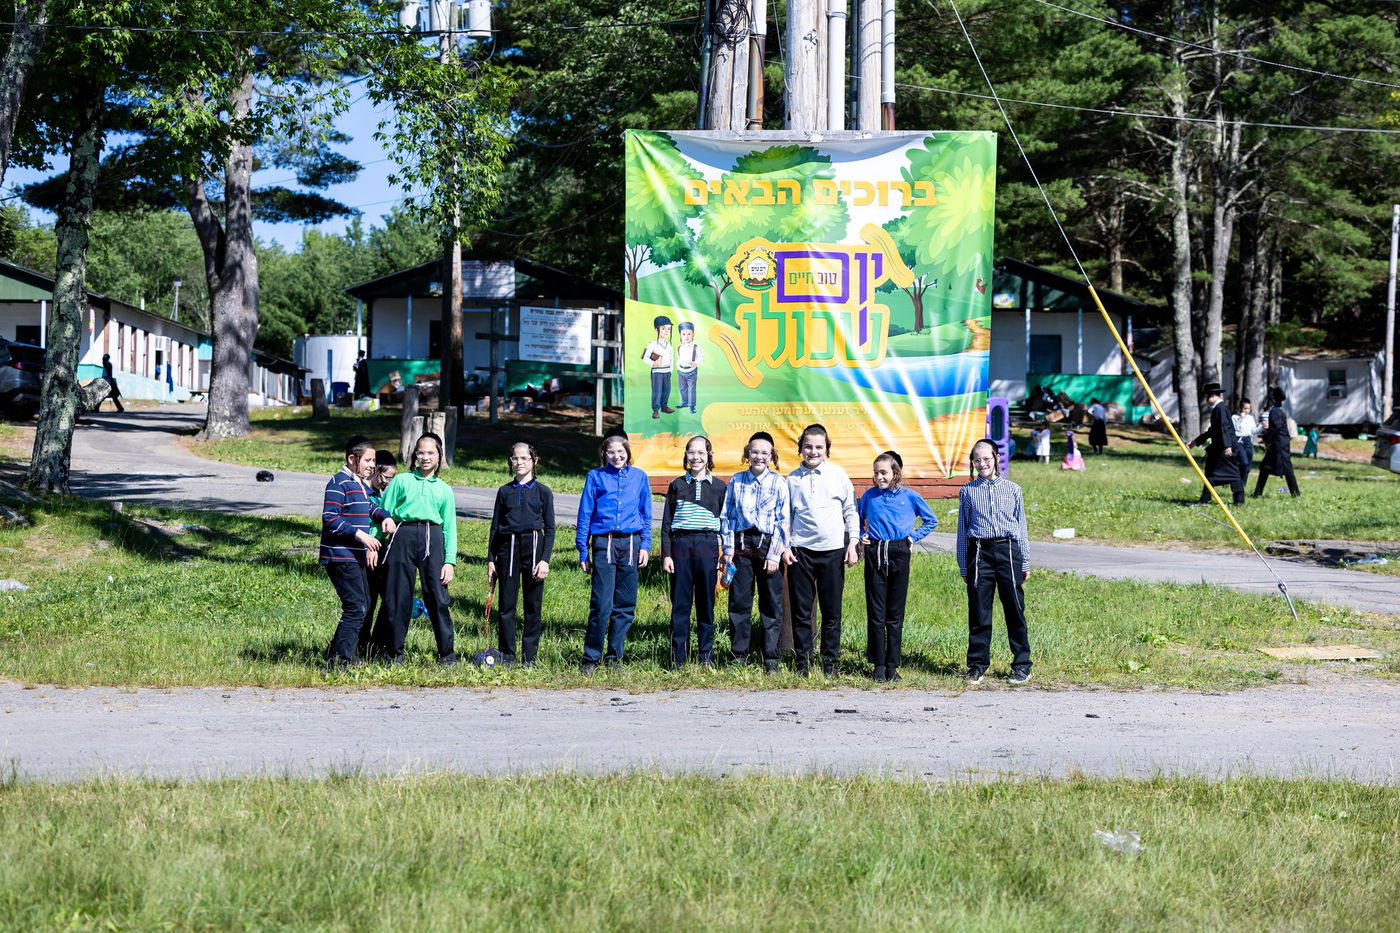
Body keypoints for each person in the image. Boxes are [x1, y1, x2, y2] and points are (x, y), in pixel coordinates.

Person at [782, 424, 859, 677]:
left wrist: (853, 543)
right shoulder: (792, 479)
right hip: (801, 552)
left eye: (819, 447)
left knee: (831, 611)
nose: (813, 452)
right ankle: (803, 662)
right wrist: (785, 546)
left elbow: (850, 511)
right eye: (808, 447)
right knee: (802, 612)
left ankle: (830, 664)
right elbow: (785, 517)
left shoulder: (838, 474)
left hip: (833, 551)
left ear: (827, 449)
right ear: (800, 448)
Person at [957, 439, 1032, 685]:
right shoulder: (968, 491)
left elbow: (1021, 527)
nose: (982, 463)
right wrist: (963, 564)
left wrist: (1026, 562)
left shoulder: (1013, 489)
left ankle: (1022, 664)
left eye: (987, 458)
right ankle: (977, 665)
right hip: (979, 552)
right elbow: (962, 529)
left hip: (1008, 551)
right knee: (979, 610)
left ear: (996, 458)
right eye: (977, 459)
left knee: (1014, 608)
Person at [380, 432, 459, 665]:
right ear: (414, 454)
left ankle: (446, 654)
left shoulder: (444, 489)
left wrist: (449, 560)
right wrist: (375, 545)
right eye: (421, 452)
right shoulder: (401, 481)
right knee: (397, 597)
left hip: (432, 538)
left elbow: (450, 527)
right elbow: (383, 512)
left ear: (439, 456)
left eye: (431, 453)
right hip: (402, 536)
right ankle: (394, 653)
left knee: (437, 597)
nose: (425, 457)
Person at [858, 450, 937, 682]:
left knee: (894, 613)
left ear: (896, 473)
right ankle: (878, 665)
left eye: (883, 472)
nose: (879, 477)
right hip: (875, 551)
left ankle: (893, 665)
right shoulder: (869, 496)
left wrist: (914, 536)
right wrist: (862, 535)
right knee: (876, 612)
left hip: (899, 552)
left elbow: (931, 519)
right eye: (875, 473)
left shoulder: (910, 497)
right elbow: (856, 518)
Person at [576, 434, 652, 673]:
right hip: (604, 544)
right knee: (601, 604)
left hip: (631, 544)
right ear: (604, 454)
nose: (617, 456)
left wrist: (646, 546)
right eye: (611, 452)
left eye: (621, 452)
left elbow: (646, 514)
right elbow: (585, 513)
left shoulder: (639, 477)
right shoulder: (595, 477)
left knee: (625, 605)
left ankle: (614, 657)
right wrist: (582, 550)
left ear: (628, 452)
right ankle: (591, 657)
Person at [320, 436, 396, 670]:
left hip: (355, 556)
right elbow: (330, 517)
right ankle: (340, 662)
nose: (372, 465)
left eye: (373, 460)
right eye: (368, 460)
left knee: (362, 605)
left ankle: (337, 654)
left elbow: (370, 507)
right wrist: (361, 535)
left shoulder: (360, 485)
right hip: (340, 555)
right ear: (352, 459)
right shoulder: (338, 483)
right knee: (356, 607)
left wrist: (385, 516)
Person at [720, 431, 789, 673]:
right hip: (740, 546)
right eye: (754, 451)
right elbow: (727, 517)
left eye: (764, 452)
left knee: (771, 604)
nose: (759, 456)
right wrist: (728, 550)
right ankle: (739, 656)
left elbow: (783, 520)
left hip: (767, 545)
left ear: (772, 456)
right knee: (739, 603)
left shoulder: (779, 482)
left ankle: (770, 658)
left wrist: (774, 555)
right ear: (747, 454)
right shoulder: (737, 481)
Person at [488, 443, 556, 669]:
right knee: (507, 604)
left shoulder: (543, 491)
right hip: (508, 548)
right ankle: (507, 655)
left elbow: (551, 528)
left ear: (534, 461)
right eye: (515, 458)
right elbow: (495, 528)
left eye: (524, 458)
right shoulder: (504, 491)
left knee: (532, 605)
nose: (519, 462)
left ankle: (530, 657)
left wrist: (545, 559)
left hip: (534, 545)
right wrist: (490, 559)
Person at [661, 435, 726, 668]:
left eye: (701, 452)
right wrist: (667, 554)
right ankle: (678, 657)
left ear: (709, 455)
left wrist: (725, 552)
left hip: (708, 544)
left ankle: (706, 655)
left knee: (706, 603)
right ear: (685, 455)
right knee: (680, 603)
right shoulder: (677, 485)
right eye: (691, 452)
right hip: (681, 545)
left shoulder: (719, 487)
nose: (696, 457)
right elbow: (667, 523)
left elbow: (726, 522)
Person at [359, 449, 398, 658]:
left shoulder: (382, 494)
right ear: (375, 471)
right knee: (366, 603)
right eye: (386, 477)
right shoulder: (362, 492)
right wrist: (370, 547)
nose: (388, 482)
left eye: (392, 478)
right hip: (366, 553)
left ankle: (378, 644)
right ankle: (361, 644)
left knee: (390, 599)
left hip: (381, 552)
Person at [1188, 382, 1244, 505]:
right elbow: (1213, 430)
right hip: (1221, 447)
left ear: (1212, 395)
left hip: (1225, 447)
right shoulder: (1219, 409)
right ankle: (1206, 499)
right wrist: (1196, 441)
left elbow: (1224, 428)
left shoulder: (1220, 409)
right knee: (1213, 473)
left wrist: (1227, 446)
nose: (1206, 400)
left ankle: (1238, 501)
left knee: (1231, 474)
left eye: (1207, 397)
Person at [1254, 386, 1301, 498]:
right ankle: (1257, 493)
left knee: (1288, 470)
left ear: (1272, 400)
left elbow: (1276, 428)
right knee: (1265, 468)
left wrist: (1266, 438)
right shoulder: (1278, 411)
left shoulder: (1275, 412)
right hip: (1278, 444)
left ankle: (1296, 494)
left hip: (1279, 446)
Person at [642, 315, 675, 418]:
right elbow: (645, 357)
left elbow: (671, 358)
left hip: (667, 371)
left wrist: (671, 369)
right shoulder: (652, 344)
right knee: (657, 391)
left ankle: (664, 406)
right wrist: (653, 363)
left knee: (667, 390)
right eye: (663, 328)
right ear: (656, 330)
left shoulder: (669, 345)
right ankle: (656, 409)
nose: (666, 331)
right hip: (657, 372)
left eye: (669, 329)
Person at [675, 321, 703, 414]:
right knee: (682, 388)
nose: (686, 337)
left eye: (689, 334)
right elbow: (678, 358)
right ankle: (684, 402)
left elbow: (701, 357)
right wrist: (678, 366)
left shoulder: (696, 347)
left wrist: (695, 363)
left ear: (693, 334)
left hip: (691, 371)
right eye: (683, 334)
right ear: (680, 335)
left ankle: (692, 406)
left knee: (691, 389)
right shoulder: (679, 347)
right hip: (681, 371)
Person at [1233, 398, 1259, 486]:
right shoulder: (1234, 417)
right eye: (1245, 408)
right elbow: (1236, 430)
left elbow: (1253, 431)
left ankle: (1242, 484)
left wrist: (1262, 428)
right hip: (1239, 441)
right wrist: (1240, 419)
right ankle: (1236, 481)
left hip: (1248, 441)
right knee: (1243, 462)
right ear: (1240, 408)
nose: (1247, 411)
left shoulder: (1250, 418)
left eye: (1248, 409)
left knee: (1248, 465)